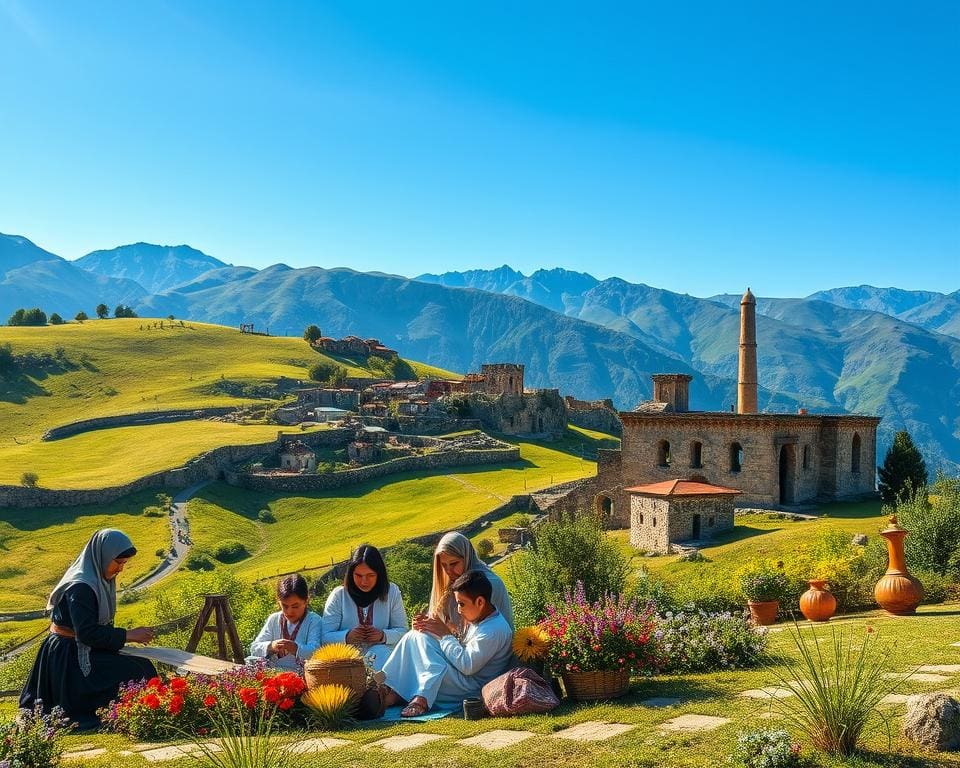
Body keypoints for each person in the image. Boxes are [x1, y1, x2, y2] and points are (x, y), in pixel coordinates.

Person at [20, 529, 158, 730]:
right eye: (118, 562)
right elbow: (87, 632)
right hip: (69, 656)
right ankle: (122, 713)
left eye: (124, 564)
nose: (120, 569)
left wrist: (125, 637)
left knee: (141, 664)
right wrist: (128, 635)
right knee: (136, 668)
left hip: (81, 647)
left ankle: (136, 712)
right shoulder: (82, 587)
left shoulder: (99, 580)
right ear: (102, 556)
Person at [382, 570, 514, 717]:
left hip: (468, 688)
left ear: (480, 602)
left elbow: (467, 665)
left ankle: (421, 697)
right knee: (415, 636)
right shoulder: (483, 619)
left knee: (428, 653)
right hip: (458, 677)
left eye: (461, 604)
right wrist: (436, 629)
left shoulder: (494, 630)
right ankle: (390, 688)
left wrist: (444, 635)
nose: (458, 610)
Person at [321, 544, 408, 670]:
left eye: (370, 575)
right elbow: (324, 637)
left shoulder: (391, 592)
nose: (364, 582)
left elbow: (403, 631)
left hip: (382, 660)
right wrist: (347, 636)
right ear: (351, 574)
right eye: (358, 575)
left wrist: (383, 636)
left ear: (379, 574)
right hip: (345, 662)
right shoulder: (339, 595)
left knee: (380, 652)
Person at [421, 531, 514, 637]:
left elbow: (478, 637)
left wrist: (445, 630)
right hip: (455, 646)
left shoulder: (489, 584)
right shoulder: (453, 582)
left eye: (453, 564)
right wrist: (425, 624)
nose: (448, 571)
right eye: (444, 565)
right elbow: (443, 622)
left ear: (467, 557)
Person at [249, 574, 323, 670]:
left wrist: (295, 648)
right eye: (284, 606)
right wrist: (270, 646)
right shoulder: (274, 619)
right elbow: (254, 648)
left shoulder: (314, 621)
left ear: (306, 601)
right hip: (272, 673)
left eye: (295, 606)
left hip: (301, 675)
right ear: (278, 601)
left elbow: (316, 651)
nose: (289, 611)